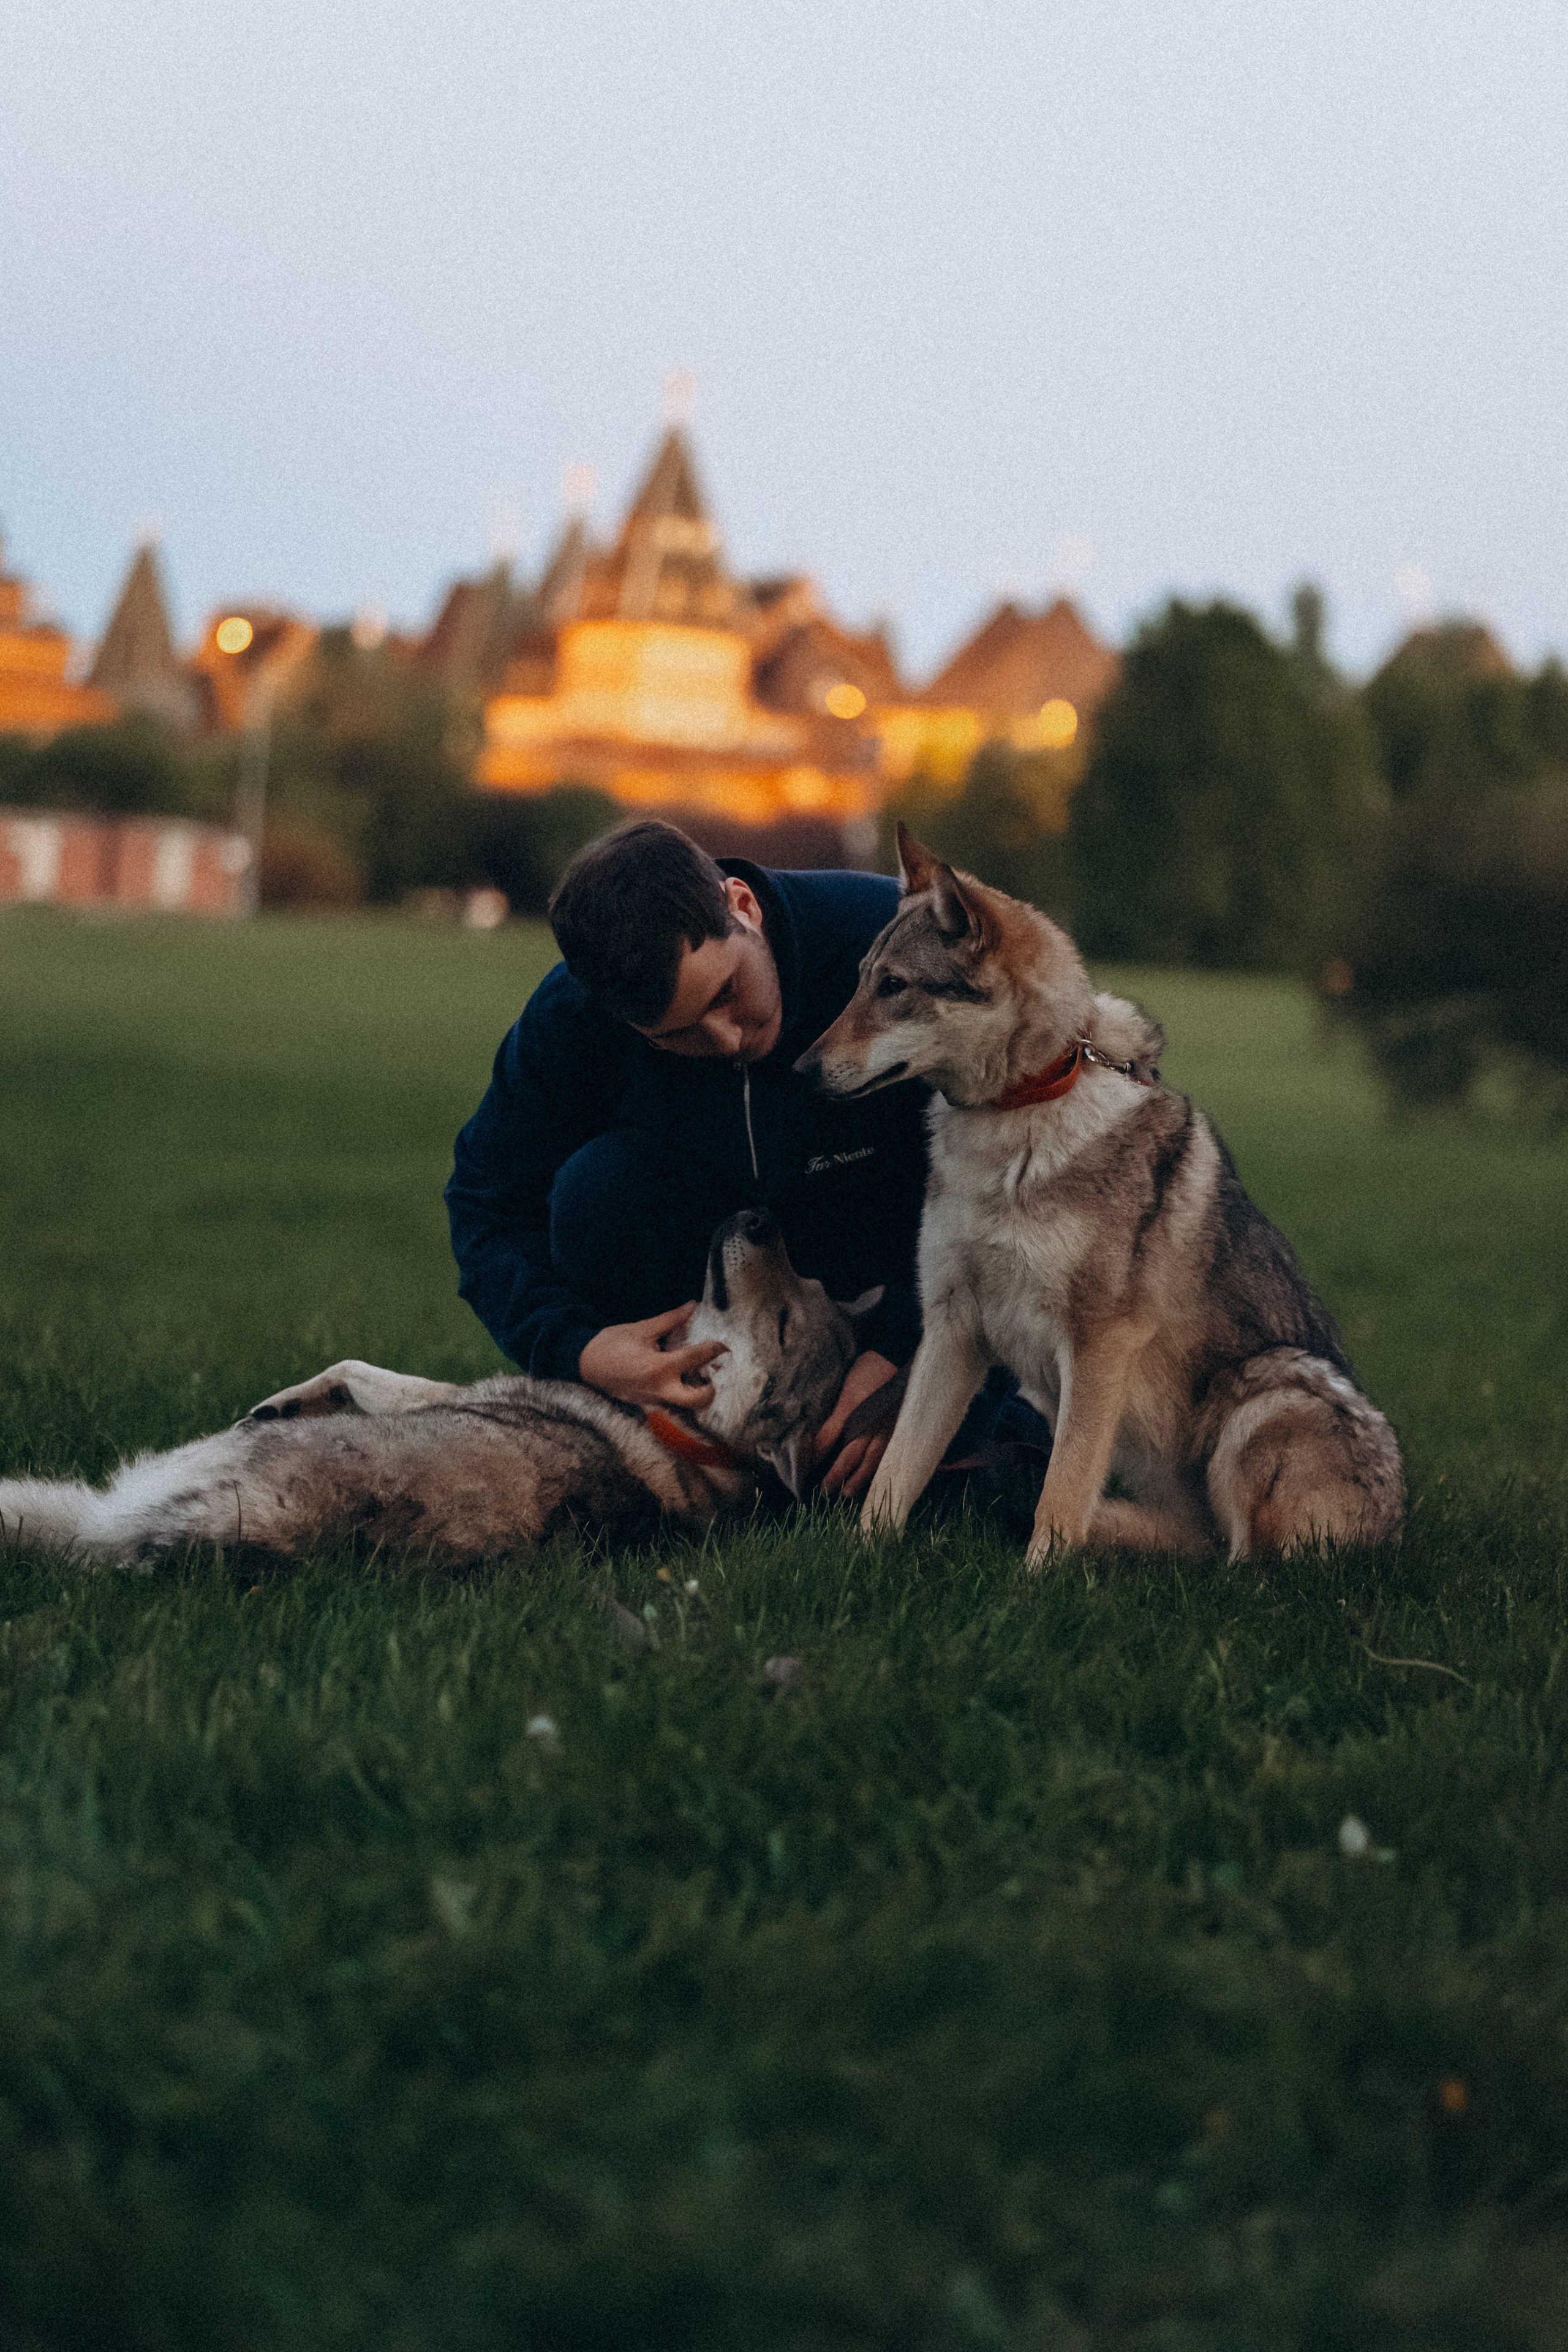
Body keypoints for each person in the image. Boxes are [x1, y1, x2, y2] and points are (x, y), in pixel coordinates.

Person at [447, 820, 1001, 1498]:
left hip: (905, 1267)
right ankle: (691, 1424)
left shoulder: (882, 936)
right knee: (594, 1193)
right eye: (676, 1036)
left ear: (742, 904)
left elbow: (1024, 1161)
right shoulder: (570, 1016)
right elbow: (486, 1201)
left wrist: (903, 1353)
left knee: (986, 1484)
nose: (726, 1037)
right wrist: (579, 1350)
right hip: (724, 1296)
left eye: (725, 992)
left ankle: (947, 1431)